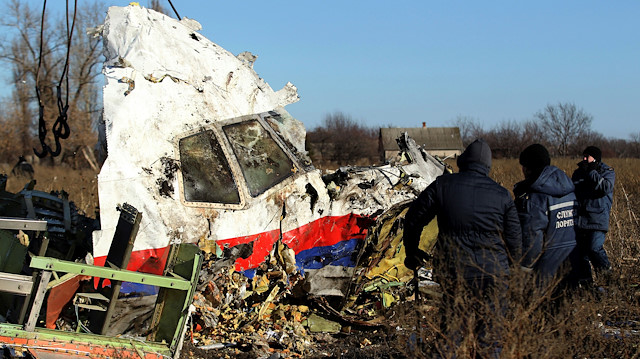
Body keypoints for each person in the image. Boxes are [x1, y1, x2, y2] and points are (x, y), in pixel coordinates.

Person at [403, 138, 522, 356]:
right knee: (490, 336)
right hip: (494, 275)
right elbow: (515, 241)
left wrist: (412, 252)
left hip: (455, 273)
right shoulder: (502, 195)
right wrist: (513, 273)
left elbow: (413, 219)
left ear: (463, 161)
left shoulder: (442, 186)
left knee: (451, 334)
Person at [514, 144, 577, 288]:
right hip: (572, 265)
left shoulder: (535, 198)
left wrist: (524, 269)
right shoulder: (569, 190)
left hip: (545, 275)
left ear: (528, 168)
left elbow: (532, 240)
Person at [571, 146, 615, 284]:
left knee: (594, 248)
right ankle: (586, 285)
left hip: (597, 218)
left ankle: (607, 277)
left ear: (595, 158)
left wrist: (592, 172)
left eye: (587, 156)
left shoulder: (607, 172)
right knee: (581, 254)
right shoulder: (578, 173)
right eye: (583, 156)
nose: (584, 159)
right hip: (580, 219)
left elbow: (605, 188)